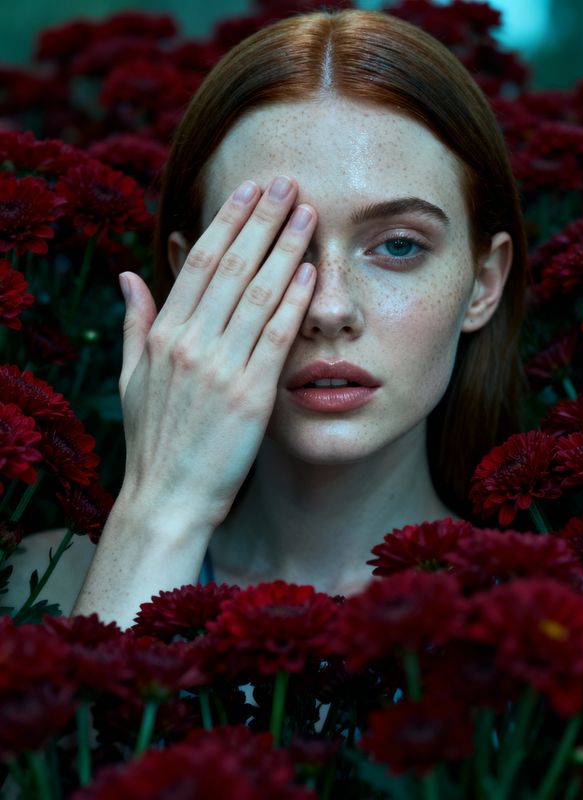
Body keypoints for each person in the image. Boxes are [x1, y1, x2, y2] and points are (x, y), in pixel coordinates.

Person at [9, 8, 527, 628]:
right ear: (188, 279)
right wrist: (159, 516)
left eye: (398, 246)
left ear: (483, 284)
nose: (330, 309)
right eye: (270, 245)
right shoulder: (39, 591)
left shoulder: (553, 622)